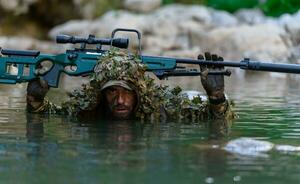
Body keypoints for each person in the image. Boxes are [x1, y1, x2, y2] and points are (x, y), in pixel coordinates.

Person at [26, 50, 236, 133]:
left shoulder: (161, 109)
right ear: (101, 94)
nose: (119, 100)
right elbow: (49, 114)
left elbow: (217, 121)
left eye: (127, 92)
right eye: (111, 92)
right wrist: (35, 101)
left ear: (139, 93)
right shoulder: (89, 108)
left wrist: (216, 98)